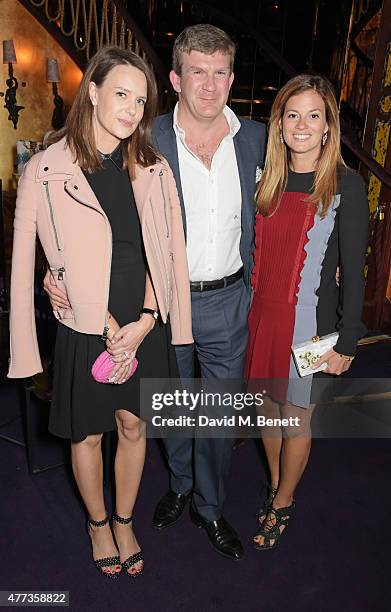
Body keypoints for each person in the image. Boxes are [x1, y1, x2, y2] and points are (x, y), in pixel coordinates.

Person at [44, 24, 266, 561]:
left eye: (219, 74)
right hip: (162, 306)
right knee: (165, 410)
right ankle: (180, 485)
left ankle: (210, 508)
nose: (209, 86)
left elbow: (300, 191)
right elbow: (84, 210)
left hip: (230, 299)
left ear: (232, 78)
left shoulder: (258, 139)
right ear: (175, 78)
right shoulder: (144, 139)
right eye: (197, 72)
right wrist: (56, 273)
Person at [8, 46, 192, 578]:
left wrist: (150, 318)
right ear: (92, 92)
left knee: (134, 427)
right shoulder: (43, 170)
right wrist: (50, 301)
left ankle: (126, 518)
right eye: (121, 95)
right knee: (87, 434)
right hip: (84, 329)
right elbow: (26, 266)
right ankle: (96, 523)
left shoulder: (154, 169)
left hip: (144, 323)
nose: (133, 109)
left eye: (141, 100)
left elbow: (170, 252)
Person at [245, 74, 368, 549]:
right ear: (279, 124)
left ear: (327, 126)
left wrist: (348, 340)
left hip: (311, 330)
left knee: (296, 417)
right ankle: (279, 484)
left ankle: (283, 503)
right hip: (261, 318)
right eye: (292, 114)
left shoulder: (345, 185)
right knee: (266, 413)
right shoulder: (265, 179)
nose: (302, 124)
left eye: (313, 115)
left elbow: (353, 273)